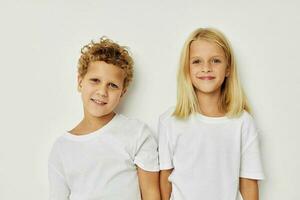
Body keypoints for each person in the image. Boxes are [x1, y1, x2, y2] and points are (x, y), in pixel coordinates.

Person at [159, 28, 265, 200]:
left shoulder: (243, 122)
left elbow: (249, 183)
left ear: (228, 68)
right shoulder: (170, 121)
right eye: (197, 61)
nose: (206, 68)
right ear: (187, 69)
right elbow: (165, 178)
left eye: (215, 61)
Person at [48, 37, 160, 200]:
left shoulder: (137, 133)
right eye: (95, 80)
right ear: (80, 82)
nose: (102, 92)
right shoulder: (61, 148)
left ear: (122, 92)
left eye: (112, 85)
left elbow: (151, 194)